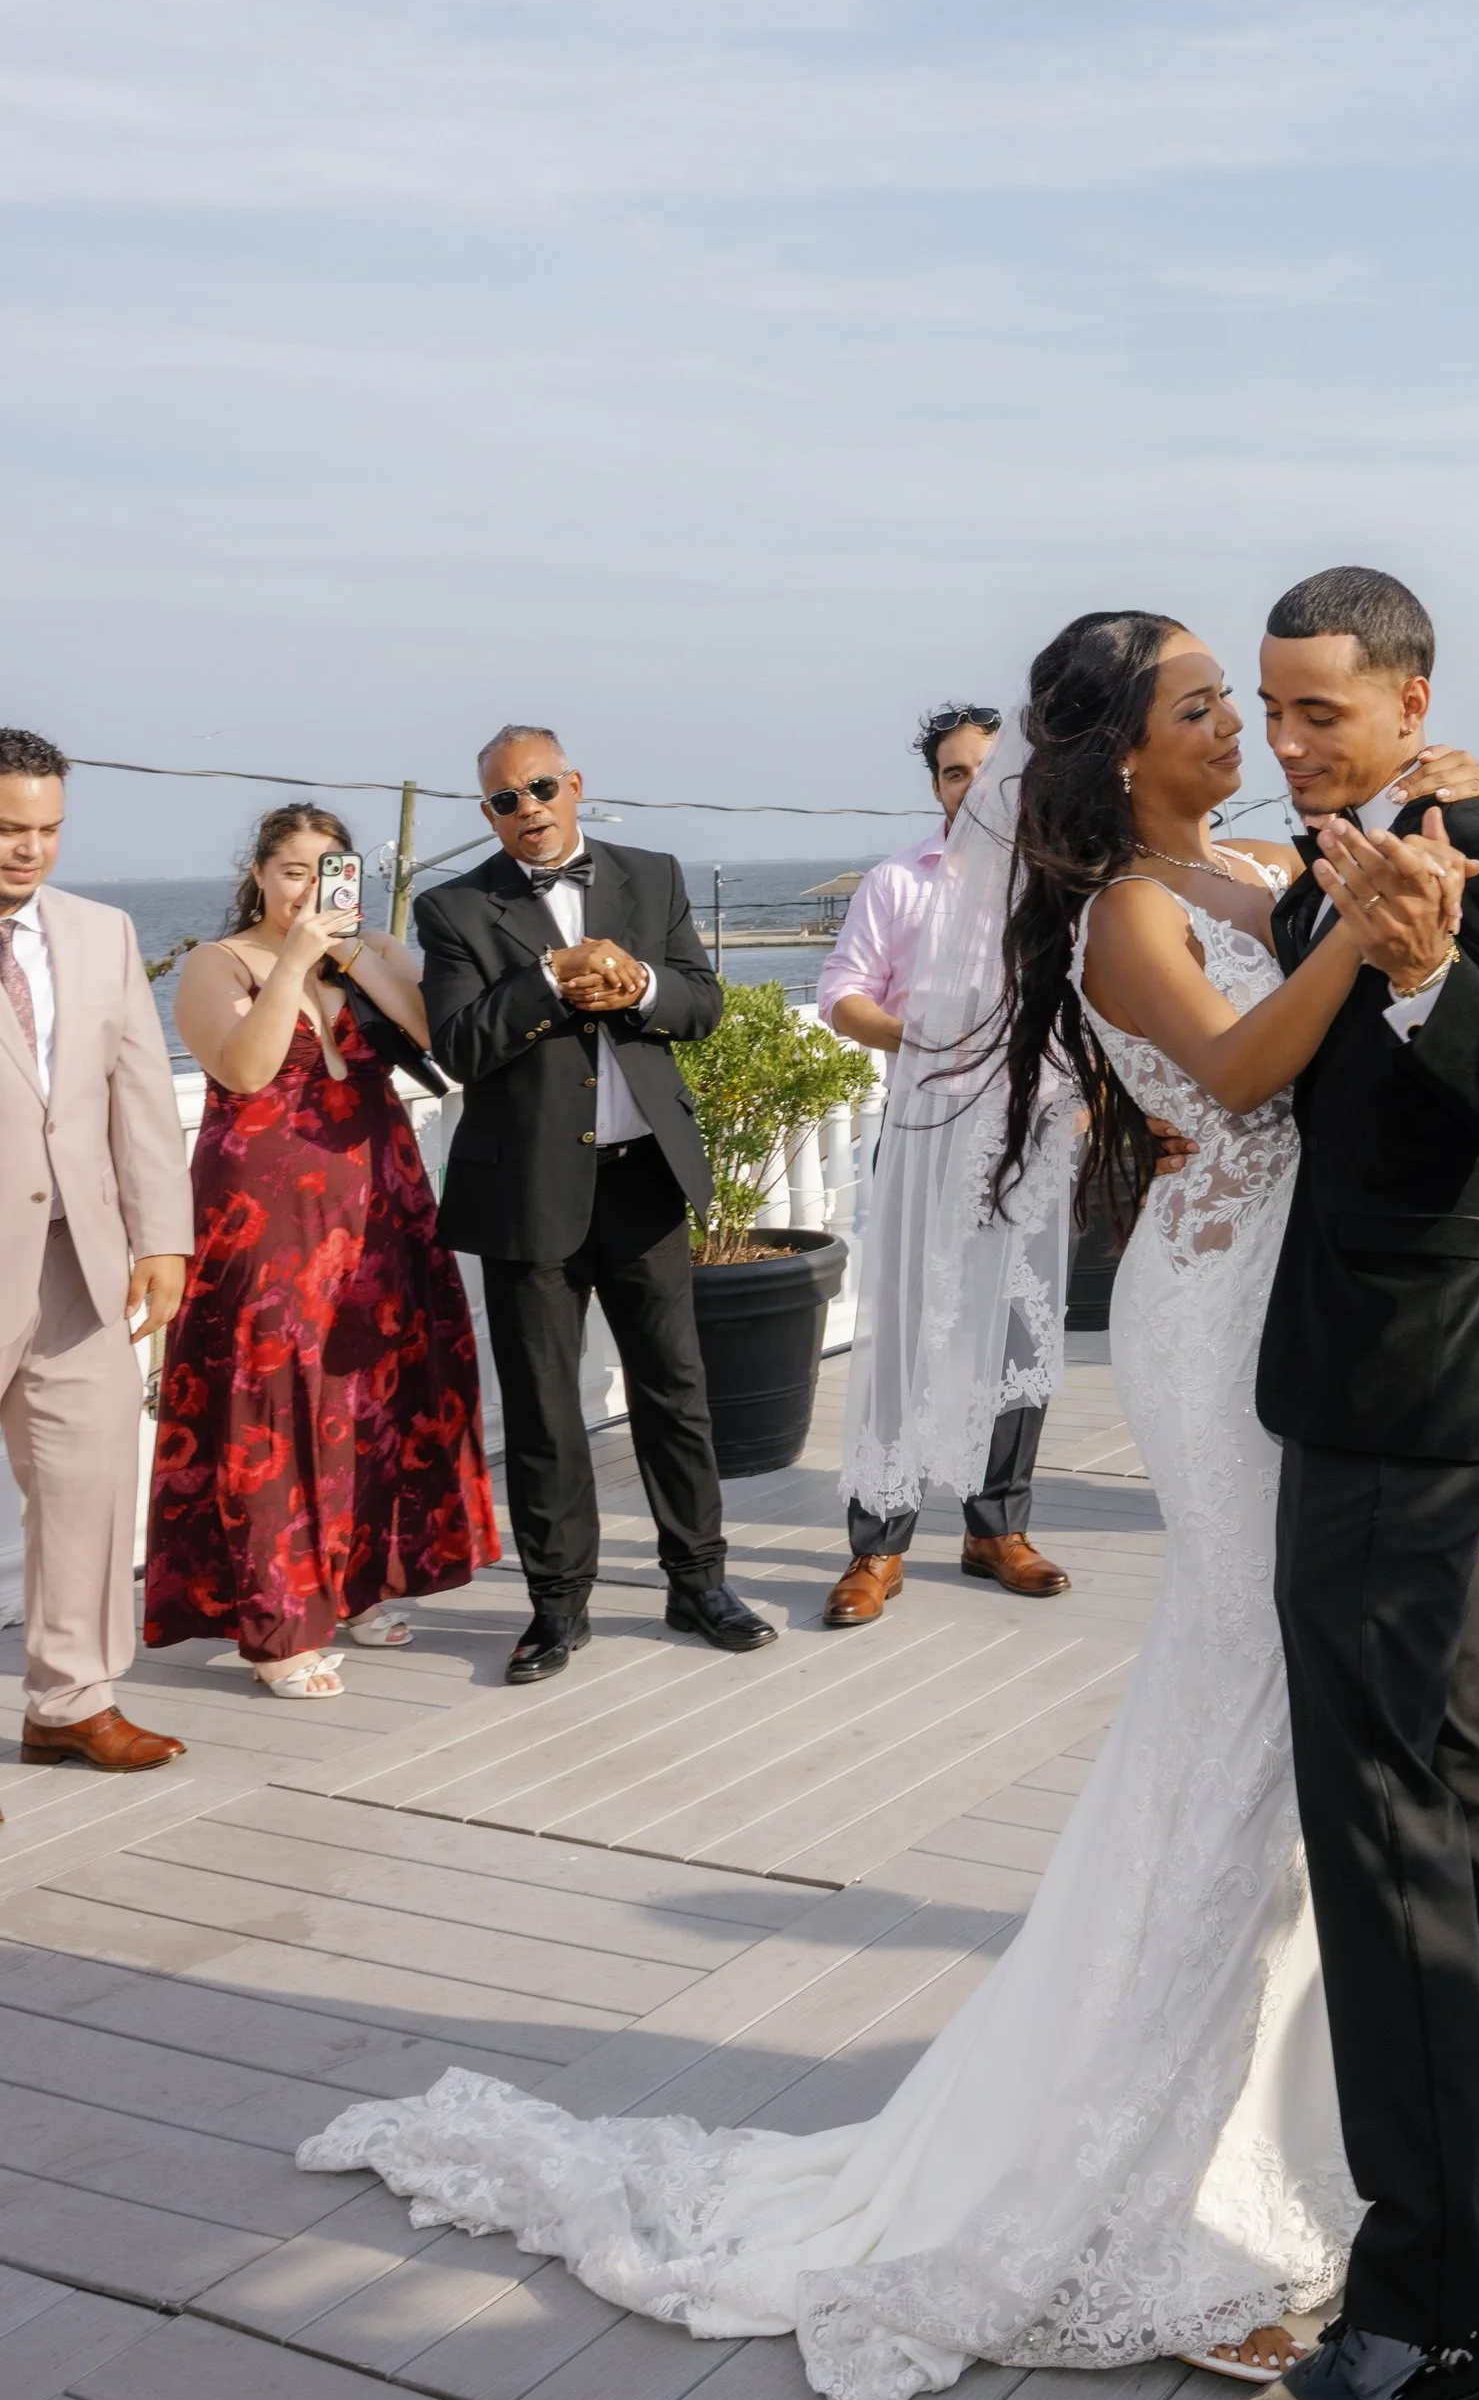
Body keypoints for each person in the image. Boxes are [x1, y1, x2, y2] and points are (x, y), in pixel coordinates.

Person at [299, 614, 1479, 2400]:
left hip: (1281, 1303)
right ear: (1113, 758)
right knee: (1252, 1694)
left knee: (1269, 1711)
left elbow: (1328, 941)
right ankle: (1154, 2174)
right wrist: (1391, 937)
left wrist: (1411, 817)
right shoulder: (1121, 915)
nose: (1236, 724)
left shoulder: (1243, 867)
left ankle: (1280, 2142)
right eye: (1200, 705)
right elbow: (1245, 1076)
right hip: (1207, 1309)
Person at [1194, 568, 1479, 2400]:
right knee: (1458, 1786)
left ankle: (1430, 2311)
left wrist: (1433, 962)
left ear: (1415, 693)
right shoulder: (1341, 853)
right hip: (1384, 1391)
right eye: (1270, 709)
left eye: (1321, 712)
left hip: (1403, 1409)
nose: (1290, 741)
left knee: (1386, 1842)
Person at [415, 726, 772, 1685]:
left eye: (538, 788)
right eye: (503, 800)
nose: (526, 809)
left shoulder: (650, 876)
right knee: (543, 1408)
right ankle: (556, 1608)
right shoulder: (451, 907)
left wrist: (641, 986)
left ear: (572, 784)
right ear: (488, 813)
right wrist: (549, 983)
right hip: (526, 1190)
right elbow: (457, 1046)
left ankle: (698, 1583)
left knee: (675, 1392)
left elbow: (702, 1004)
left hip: (645, 1175)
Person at [144, 805, 499, 1697]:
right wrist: (294, 962)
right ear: (259, 874)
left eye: (329, 867)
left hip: (378, 1198)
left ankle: (357, 1584)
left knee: (373, 1391)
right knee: (271, 1403)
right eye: (294, 869)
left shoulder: (373, 951)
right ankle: (276, 1626)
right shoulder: (217, 963)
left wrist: (354, 958)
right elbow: (245, 1071)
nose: (310, 886)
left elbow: (432, 1042)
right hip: (263, 1210)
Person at [819, 701, 1072, 1627]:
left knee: (1017, 1329)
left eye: (988, 769)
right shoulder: (899, 881)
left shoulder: (1052, 882)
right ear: (936, 786)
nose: (971, 786)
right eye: (953, 771)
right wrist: (920, 1042)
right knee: (905, 1332)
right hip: (927, 1136)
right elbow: (842, 991)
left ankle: (994, 1528)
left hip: (1033, 1133)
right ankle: (877, 1543)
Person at [0, 727, 192, 1779]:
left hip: (79, 1261)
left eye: (47, 829)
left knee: (88, 1485)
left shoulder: (102, 931)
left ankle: (69, 1703)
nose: (29, 850)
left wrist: (162, 1236)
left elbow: (139, 1098)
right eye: (7, 830)